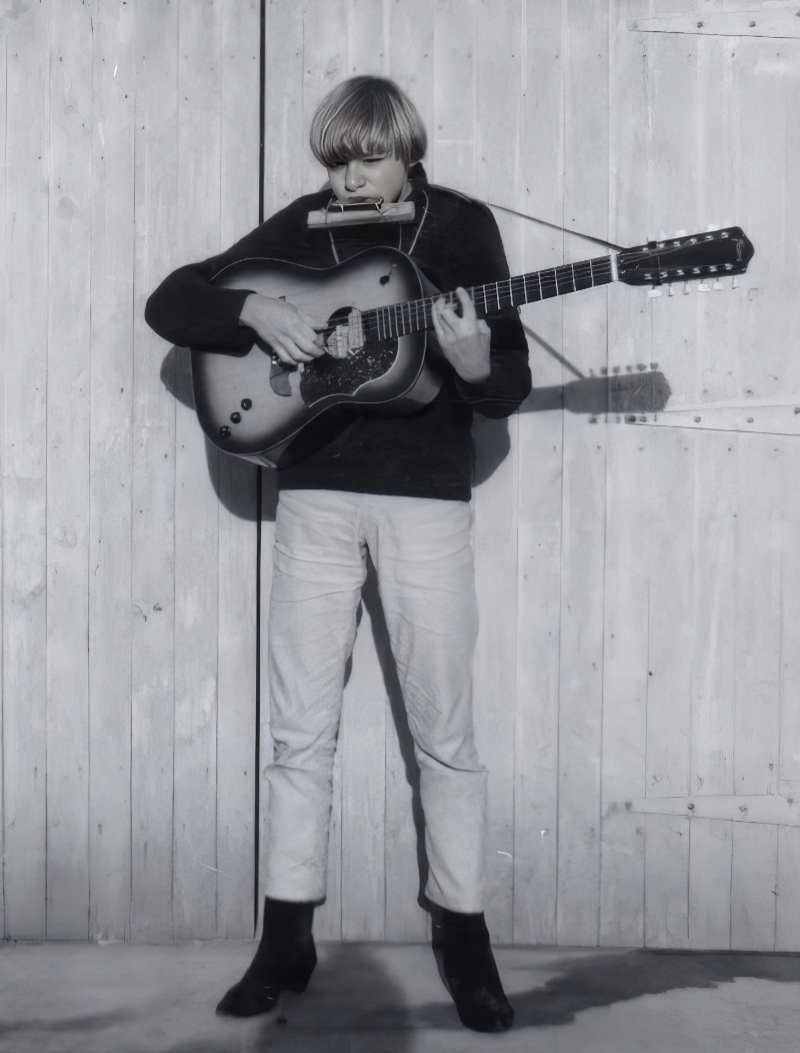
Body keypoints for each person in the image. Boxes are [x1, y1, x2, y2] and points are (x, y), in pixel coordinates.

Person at [145, 75, 531, 1034]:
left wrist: (475, 366)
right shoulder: (302, 226)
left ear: (408, 150)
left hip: (427, 503)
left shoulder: (463, 229)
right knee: (299, 730)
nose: (348, 181)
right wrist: (253, 313)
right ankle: (286, 937)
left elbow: (509, 380)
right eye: (335, 162)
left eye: (367, 160)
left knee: (446, 731)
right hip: (315, 496)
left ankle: (464, 936)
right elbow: (171, 300)